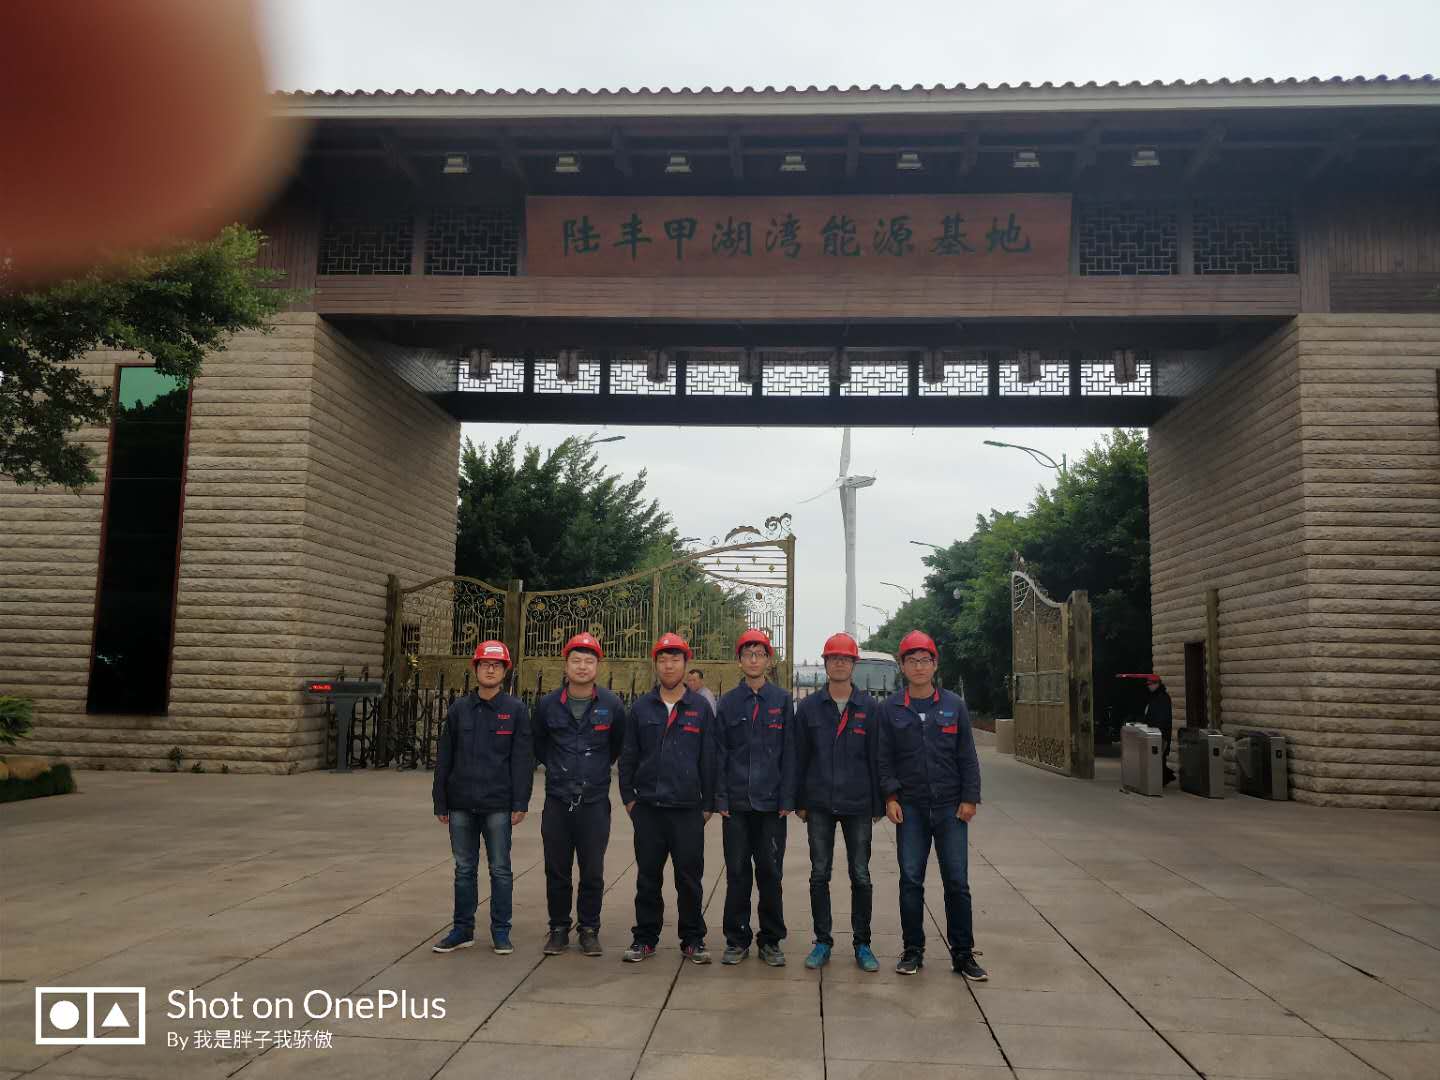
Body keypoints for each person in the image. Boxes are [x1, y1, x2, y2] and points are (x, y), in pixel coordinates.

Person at [878, 630, 987, 980]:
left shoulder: (954, 705)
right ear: (902, 666)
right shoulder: (891, 708)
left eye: (925, 660)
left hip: (950, 808)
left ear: (935, 665)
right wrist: (890, 797)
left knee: (957, 881)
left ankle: (963, 954)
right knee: (911, 880)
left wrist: (969, 798)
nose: (919, 667)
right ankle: (913, 950)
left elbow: (967, 756)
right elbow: (884, 759)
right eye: (912, 661)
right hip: (910, 808)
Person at [619, 632, 722, 964]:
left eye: (675, 659)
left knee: (689, 878)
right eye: (662, 660)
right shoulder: (641, 708)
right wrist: (629, 799)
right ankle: (644, 938)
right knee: (648, 878)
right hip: (648, 808)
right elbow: (628, 756)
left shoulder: (700, 708)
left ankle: (692, 939)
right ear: (656, 665)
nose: (668, 665)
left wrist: (708, 804)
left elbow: (709, 758)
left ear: (686, 664)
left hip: (687, 809)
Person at [432, 640, 533, 955]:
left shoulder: (515, 711)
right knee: (464, 869)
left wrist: (520, 802)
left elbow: (522, 760)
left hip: (498, 804)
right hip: (461, 802)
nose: (490, 670)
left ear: (505, 671)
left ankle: (501, 932)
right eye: (485, 664)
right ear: (475, 669)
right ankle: (462, 930)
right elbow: (445, 758)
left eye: (496, 665)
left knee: (500, 869)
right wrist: (440, 801)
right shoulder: (459, 710)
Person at [531, 632, 627, 957]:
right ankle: (559, 928)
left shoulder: (611, 705)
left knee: (592, 870)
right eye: (576, 661)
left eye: (589, 661)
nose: (582, 667)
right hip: (558, 800)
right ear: (566, 665)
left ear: (597, 666)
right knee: (556, 869)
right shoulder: (548, 705)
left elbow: (617, 745)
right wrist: (562, 769)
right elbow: (539, 745)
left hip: (594, 801)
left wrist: (591, 770)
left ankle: (589, 929)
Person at [792, 632, 883, 973]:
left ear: (853, 664)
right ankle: (822, 941)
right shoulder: (809, 708)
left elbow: (877, 758)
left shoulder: (870, 708)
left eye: (845, 658)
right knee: (819, 874)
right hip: (819, 803)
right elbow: (799, 757)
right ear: (826, 664)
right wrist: (800, 801)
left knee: (860, 874)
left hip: (858, 803)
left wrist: (877, 803)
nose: (840, 663)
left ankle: (862, 943)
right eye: (834, 658)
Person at [716, 629, 796, 966]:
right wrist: (721, 799)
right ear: (739, 660)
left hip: (771, 805)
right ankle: (736, 939)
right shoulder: (728, 703)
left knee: (770, 873)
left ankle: (771, 940)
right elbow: (719, 753)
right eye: (747, 654)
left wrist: (787, 798)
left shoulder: (781, 700)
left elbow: (789, 752)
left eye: (759, 654)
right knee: (737, 873)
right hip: (736, 805)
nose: (753, 660)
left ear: (768, 660)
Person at [1145, 675, 1176, 786]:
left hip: (1161, 733)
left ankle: (1164, 778)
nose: (1149, 686)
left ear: (1157, 684)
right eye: (1148, 684)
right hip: (1154, 732)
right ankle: (1164, 777)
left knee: (1159, 757)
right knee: (1158, 757)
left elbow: (1163, 717)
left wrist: (1158, 732)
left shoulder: (1163, 697)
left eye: (1150, 684)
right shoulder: (1154, 696)